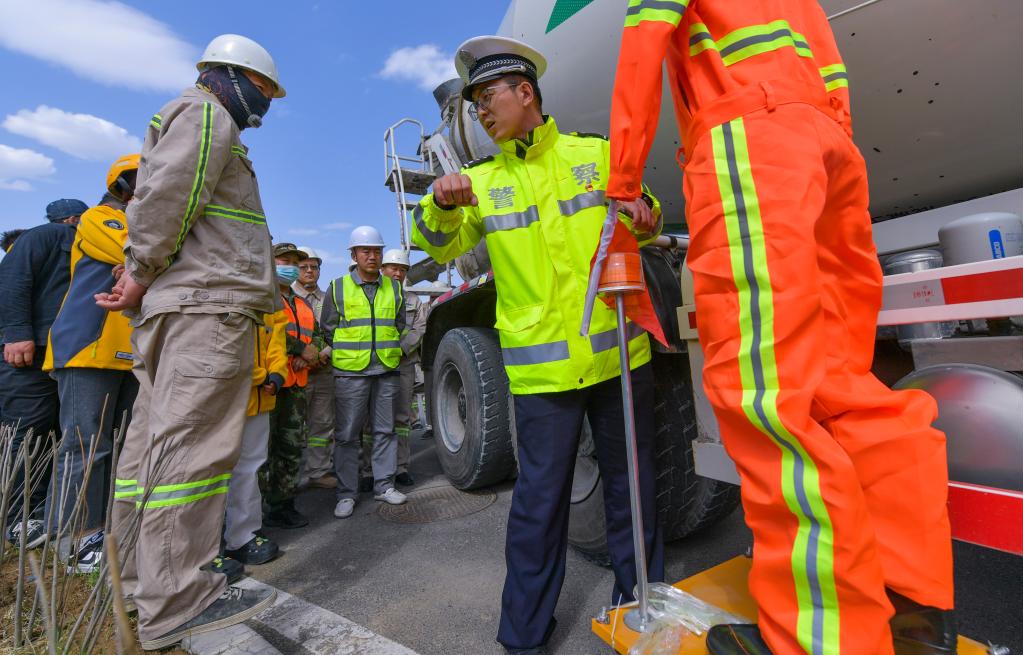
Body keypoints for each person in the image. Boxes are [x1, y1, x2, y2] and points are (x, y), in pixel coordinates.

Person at [606, 3, 955, 654]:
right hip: (826, 150)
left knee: (766, 403)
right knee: (846, 388)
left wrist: (625, 176)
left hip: (746, 141)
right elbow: (831, 73)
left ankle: (818, 637)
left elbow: (641, 43)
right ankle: (912, 610)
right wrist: (826, 138)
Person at [411, 36, 664, 655]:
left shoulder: (595, 155)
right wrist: (439, 206)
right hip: (542, 378)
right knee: (537, 511)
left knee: (634, 494)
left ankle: (644, 615)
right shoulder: (478, 182)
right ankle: (523, 637)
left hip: (616, 358)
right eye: (472, 104)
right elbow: (436, 244)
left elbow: (645, 212)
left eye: (487, 97)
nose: (480, 112)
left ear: (526, 93)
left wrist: (647, 215)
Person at [94, 34, 284, 649]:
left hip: (182, 310)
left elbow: (157, 202)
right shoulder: (207, 114)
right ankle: (177, 601)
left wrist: (139, 275)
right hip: (208, 312)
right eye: (263, 89)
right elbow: (169, 198)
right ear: (231, 77)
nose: (267, 103)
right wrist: (141, 271)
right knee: (191, 460)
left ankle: (132, 586)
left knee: (149, 454)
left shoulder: (190, 117)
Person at [42, 156, 142, 574]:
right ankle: (73, 540)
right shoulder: (100, 217)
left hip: (130, 353)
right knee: (86, 447)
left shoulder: (143, 224)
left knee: (117, 448)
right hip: (89, 347)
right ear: (122, 183)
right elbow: (138, 253)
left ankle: (104, 532)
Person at [0, 198, 86, 548]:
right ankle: (17, 519)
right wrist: (18, 333)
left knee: (55, 434)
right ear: (75, 219)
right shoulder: (43, 238)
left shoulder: (80, 246)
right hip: (29, 354)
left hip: (62, 356)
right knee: (26, 433)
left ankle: (44, 512)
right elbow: (12, 283)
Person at [321, 225, 407, 519]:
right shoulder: (337, 287)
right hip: (351, 373)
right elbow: (329, 330)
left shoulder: (394, 287)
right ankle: (347, 494)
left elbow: (399, 325)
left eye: (377, 251)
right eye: (366, 251)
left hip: (385, 369)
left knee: (385, 431)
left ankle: (384, 485)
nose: (372, 256)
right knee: (347, 435)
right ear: (354, 254)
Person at [259, 243, 327, 529]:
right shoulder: (262, 297)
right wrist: (301, 349)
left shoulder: (303, 304)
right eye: (284, 261)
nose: (290, 267)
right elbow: (265, 330)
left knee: (290, 448)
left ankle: (282, 505)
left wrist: (308, 356)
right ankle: (256, 512)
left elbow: (320, 337)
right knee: (263, 451)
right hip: (267, 386)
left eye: (294, 262)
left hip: (296, 383)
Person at [223, 296, 287, 565]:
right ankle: (210, 541)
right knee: (216, 472)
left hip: (260, 398)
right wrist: (262, 375)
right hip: (227, 397)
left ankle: (242, 536)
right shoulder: (221, 291)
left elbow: (277, 341)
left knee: (250, 467)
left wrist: (277, 374)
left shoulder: (270, 301)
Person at [380, 248, 428, 487]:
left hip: (403, 364)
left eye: (402, 270)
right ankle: (370, 471)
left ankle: (401, 467)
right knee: (373, 421)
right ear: (383, 269)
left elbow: (419, 329)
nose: (398, 273)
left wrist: (400, 349)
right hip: (375, 366)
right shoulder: (373, 297)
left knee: (402, 418)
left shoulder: (413, 301)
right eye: (393, 268)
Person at [293, 246, 337, 490]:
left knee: (322, 424)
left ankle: (318, 471)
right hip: (294, 371)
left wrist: (324, 354)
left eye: (314, 267)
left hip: (323, 370)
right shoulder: (285, 296)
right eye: (304, 267)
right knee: (291, 426)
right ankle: (286, 478)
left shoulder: (328, 298)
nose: (310, 271)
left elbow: (336, 330)